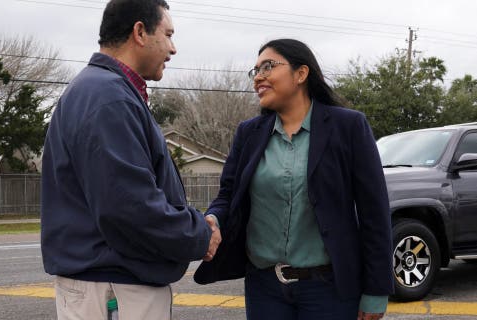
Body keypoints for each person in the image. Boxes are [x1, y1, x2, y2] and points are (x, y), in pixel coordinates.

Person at [40, 0, 221, 319]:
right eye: (168, 34)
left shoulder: (101, 90)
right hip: (113, 289)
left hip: (106, 283)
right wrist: (199, 235)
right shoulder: (108, 97)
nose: (173, 48)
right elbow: (128, 207)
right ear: (140, 32)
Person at [194, 39, 393, 320]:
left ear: (301, 74)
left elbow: (375, 213)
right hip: (265, 288)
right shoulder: (248, 133)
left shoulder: (348, 127)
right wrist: (214, 218)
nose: (259, 77)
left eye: (268, 66)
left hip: (329, 290)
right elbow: (228, 195)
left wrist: (376, 291)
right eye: (255, 71)